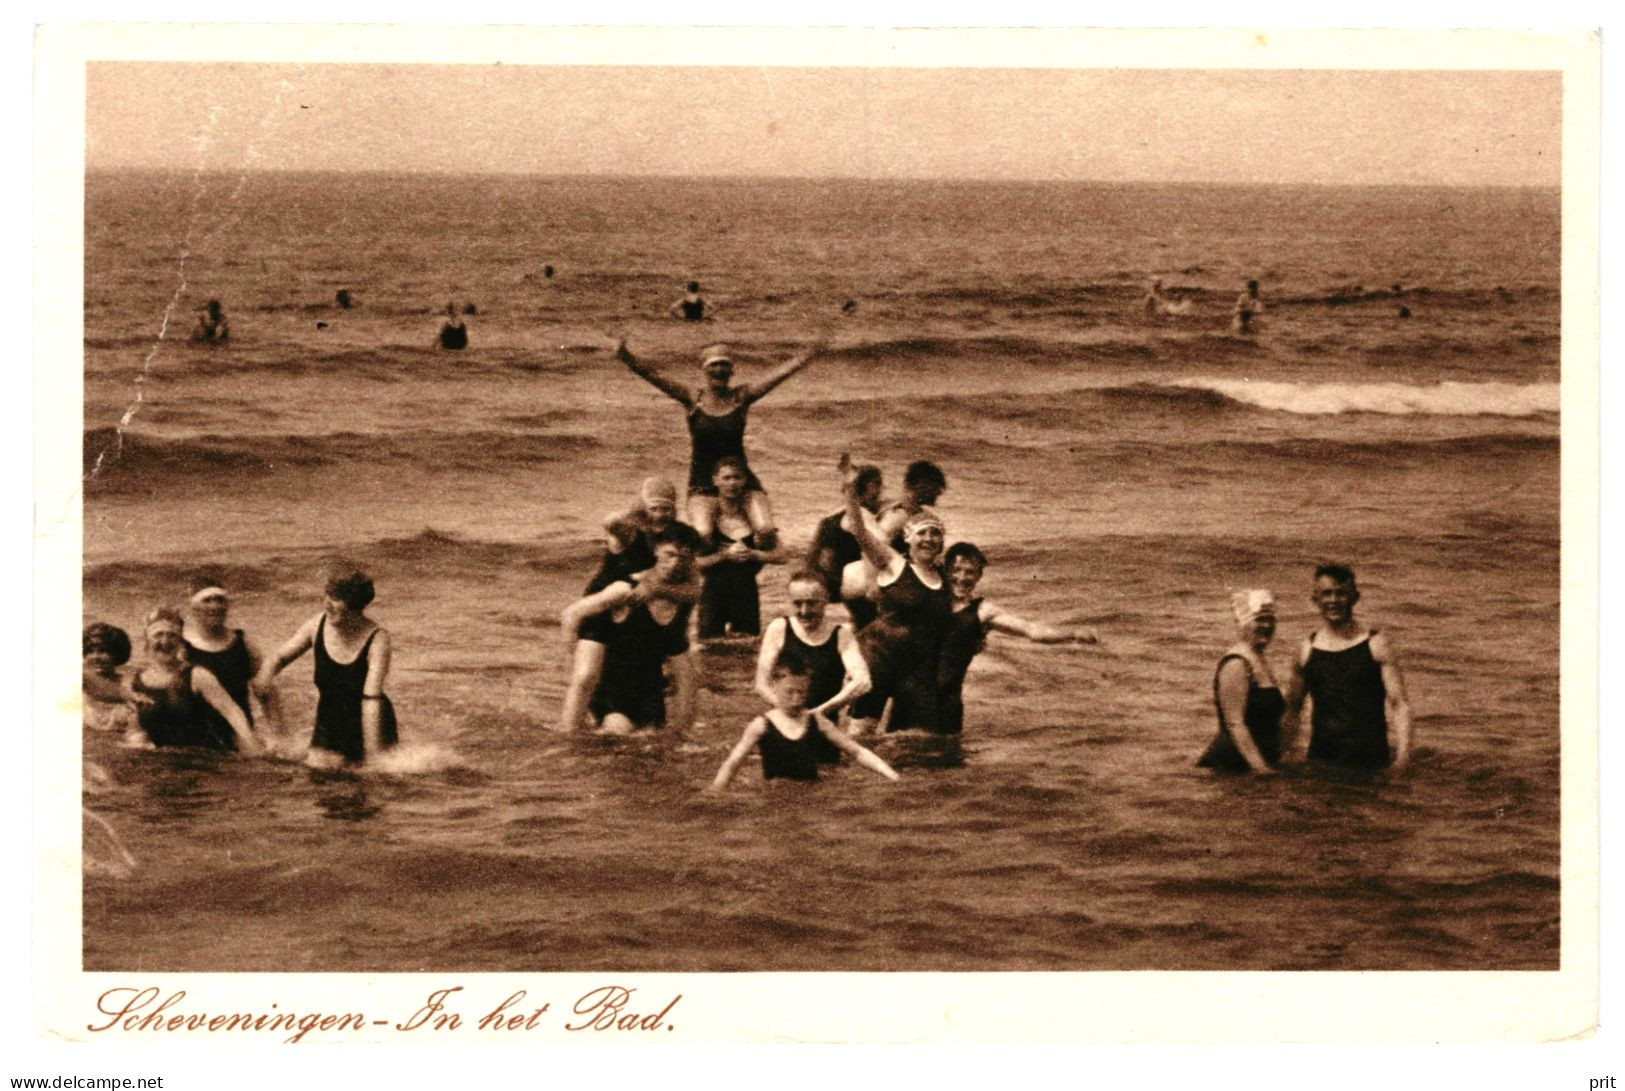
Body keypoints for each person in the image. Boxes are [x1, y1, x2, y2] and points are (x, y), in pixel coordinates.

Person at [612, 336, 825, 540]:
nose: (719, 370)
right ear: (704, 370)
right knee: (702, 535)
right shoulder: (693, 399)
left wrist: (808, 355)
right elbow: (654, 376)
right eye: (714, 365)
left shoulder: (740, 397)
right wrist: (626, 356)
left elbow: (778, 375)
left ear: (732, 371)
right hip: (702, 483)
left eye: (724, 365)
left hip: (741, 481)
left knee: (766, 530)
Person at [838, 454, 952, 736]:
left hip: (903, 617)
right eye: (935, 487)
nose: (939, 493)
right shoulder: (900, 514)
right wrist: (875, 580)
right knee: (863, 726)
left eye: (934, 535)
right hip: (886, 595)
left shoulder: (908, 513)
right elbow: (867, 539)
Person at [937, 542, 1099, 736]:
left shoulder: (983, 612)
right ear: (945, 571)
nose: (962, 578)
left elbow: (1032, 630)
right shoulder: (927, 599)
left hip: (947, 704)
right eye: (956, 570)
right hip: (910, 699)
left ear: (979, 575)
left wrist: (1072, 634)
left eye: (970, 572)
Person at [254, 566, 398, 768]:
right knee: (320, 782)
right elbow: (278, 657)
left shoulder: (377, 639)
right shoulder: (316, 625)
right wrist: (264, 678)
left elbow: (371, 700)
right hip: (329, 721)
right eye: (326, 596)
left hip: (371, 723)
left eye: (336, 598)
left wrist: (374, 758)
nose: (327, 605)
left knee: (370, 786)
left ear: (356, 605)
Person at [556, 531, 698, 734]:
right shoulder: (625, 589)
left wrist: (682, 734)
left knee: (657, 748)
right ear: (656, 552)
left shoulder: (682, 599)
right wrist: (576, 667)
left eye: (682, 558)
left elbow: (686, 679)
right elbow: (571, 614)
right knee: (620, 736)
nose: (674, 563)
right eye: (669, 554)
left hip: (649, 692)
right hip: (611, 691)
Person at [1282, 564, 1413, 770]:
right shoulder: (1306, 649)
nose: (1333, 601)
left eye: (1341, 593)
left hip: (1371, 761)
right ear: (1315, 599)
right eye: (1326, 594)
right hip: (1321, 762)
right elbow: (1292, 708)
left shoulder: (1376, 644)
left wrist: (1403, 759)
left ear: (1355, 598)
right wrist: (1285, 754)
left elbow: (1399, 704)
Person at [709, 650, 899, 789]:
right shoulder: (762, 725)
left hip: (812, 793)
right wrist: (715, 792)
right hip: (775, 795)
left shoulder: (816, 722)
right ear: (774, 686)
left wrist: (890, 774)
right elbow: (733, 762)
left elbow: (856, 751)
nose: (796, 698)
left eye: (802, 692)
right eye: (789, 692)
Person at [754, 571, 872, 754]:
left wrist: (820, 713)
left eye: (812, 603)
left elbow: (863, 682)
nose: (804, 611)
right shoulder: (779, 629)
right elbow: (761, 684)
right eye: (797, 603)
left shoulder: (841, 635)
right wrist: (789, 710)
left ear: (826, 600)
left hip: (824, 733)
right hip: (784, 729)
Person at [127, 607, 263, 753]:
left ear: (180, 640)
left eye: (172, 635)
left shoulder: (197, 675)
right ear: (147, 640)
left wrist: (251, 743)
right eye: (158, 635)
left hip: (203, 761)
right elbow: (135, 728)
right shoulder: (136, 682)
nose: (165, 641)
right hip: (160, 761)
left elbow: (232, 711)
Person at [182, 572, 281, 737]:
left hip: (240, 736)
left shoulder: (242, 644)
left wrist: (279, 736)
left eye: (220, 600)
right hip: (195, 737)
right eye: (207, 600)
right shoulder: (181, 646)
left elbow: (266, 694)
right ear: (193, 607)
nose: (215, 606)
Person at [695, 457, 784, 639]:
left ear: (744, 481)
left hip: (746, 594)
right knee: (709, 648)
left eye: (737, 477)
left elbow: (782, 555)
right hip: (713, 594)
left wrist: (752, 554)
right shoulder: (708, 522)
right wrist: (725, 555)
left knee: (747, 648)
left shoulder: (754, 520)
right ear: (715, 480)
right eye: (726, 478)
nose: (732, 483)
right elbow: (693, 563)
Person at [1196, 589, 1284, 774]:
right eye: (1259, 620)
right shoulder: (1236, 663)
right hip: (1232, 765)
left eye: (1270, 619)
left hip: (1253, 763)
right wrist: (1261, 768)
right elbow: (1235, 723)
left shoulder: (1259, 659)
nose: (1267, 625)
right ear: (1243, 622)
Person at [807, 462, 884, 628]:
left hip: (825, 587)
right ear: (871, 487)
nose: (881, 492)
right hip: (846, 590)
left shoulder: (828, 519)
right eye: (878, 485)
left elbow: (814, 560)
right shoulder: (861, 518)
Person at [877, 460, 948, 552]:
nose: (939, 492)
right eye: (935, 487)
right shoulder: (898, 517)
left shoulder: (913, 513)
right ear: (921, 484)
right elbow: (878, 549)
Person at [82, 622, 138, 736]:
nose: (96, 657)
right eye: (90, 651)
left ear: (116, 654)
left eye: (102, 651)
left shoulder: (128, 683)